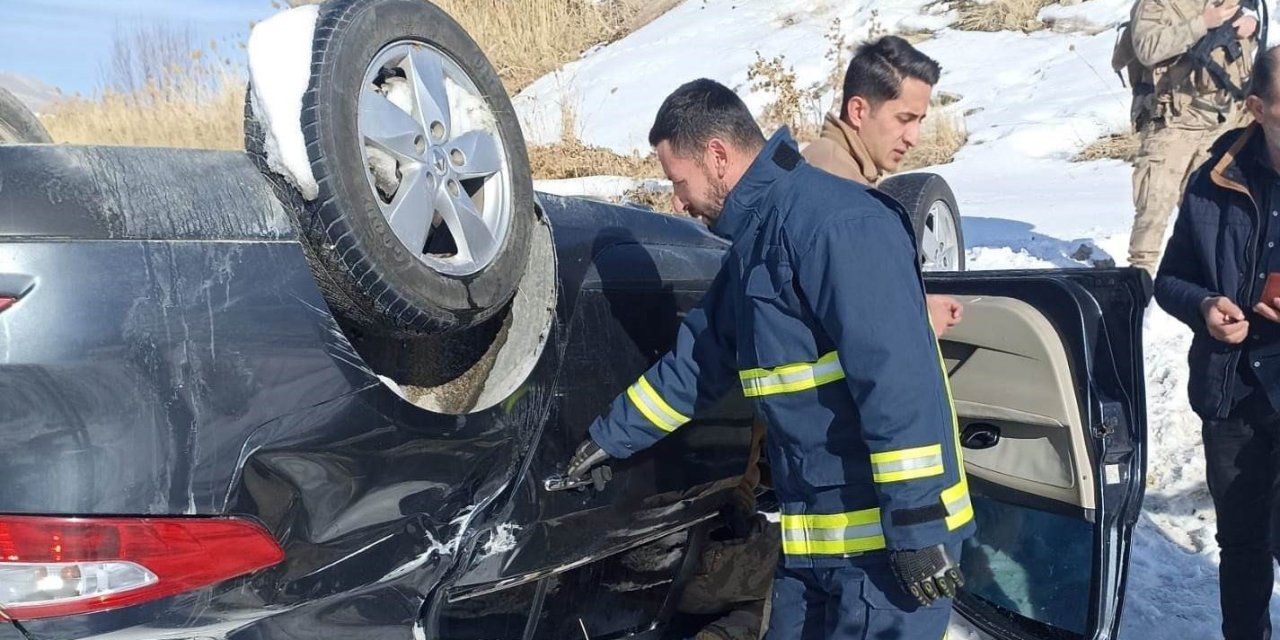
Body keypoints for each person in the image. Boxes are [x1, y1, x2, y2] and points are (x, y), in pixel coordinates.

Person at [565, 78, 974, 640]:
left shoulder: (839, 226)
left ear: (717, 156)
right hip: (813, 549)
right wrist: (608, 439)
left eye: (678, 182)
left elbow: (899, 385)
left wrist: (918, 526)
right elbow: (696, 366)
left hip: (890, 555)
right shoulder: (754, 249)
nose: (678, 203)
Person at [1155, 44, 1280, 640]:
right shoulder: (1213, 180)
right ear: (1257, 107)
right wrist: (1204, 306)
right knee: (1244, 540)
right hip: (1233, 387)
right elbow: (1170, 278)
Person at [803, 35, 963, 337]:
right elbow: (859, 317)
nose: (913, 137)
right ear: (859, 111)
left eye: (919, 121)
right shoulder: (835, 183)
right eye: (904, 119)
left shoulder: (841, 170)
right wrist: (922, 319)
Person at [1119, 0, 1259, 275]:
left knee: (1209, 210)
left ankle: (1206, 283)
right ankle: (1139, 288)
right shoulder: (1156, 4)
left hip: (1220, 122)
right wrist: (1202, 23)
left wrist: (1250, 27)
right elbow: (1147, 49)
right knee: (1153, 208)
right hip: (1171, 122)